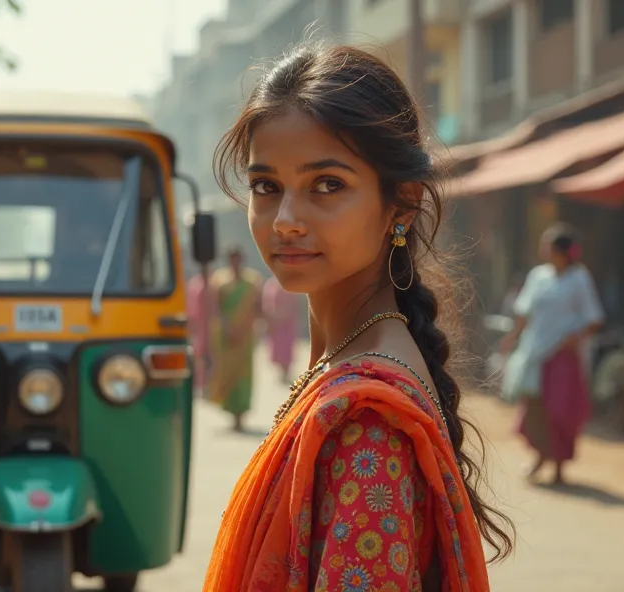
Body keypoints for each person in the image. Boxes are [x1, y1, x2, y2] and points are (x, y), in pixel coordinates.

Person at [202, 44, 510, 591]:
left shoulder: (367, 426)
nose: (287, 221)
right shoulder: (346, 366)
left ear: (403, 203)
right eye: (266, 187)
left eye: (327, 185)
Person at [501, 225, 605, 485]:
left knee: (559, 410)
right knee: (534, 408)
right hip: (534, 352)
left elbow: (594, 319)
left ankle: (559, 463)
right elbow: (524, 313)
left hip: (562, 355)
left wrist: (574, 339)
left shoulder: (579, 279)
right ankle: (541, 454)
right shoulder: (538, 277)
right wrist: (511, 339)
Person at [208, 247, 262, 431]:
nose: (235, 263)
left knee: (244, 376)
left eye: (238, 259)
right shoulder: (220, 281)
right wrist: (227, 328)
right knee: (227, 373)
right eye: (232, 260)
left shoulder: (252, 282)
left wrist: (247, 326)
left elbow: (257, 308)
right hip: (226, 336)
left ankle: (242, 414)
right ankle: (232, 413)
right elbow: (217, 308)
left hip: (245, 336)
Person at [262, 274, 301, 384]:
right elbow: (266, 304)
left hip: (287, 323)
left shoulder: (290, 285)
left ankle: (286, 371)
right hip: (275, 323)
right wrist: (270, 319)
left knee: (287, 347)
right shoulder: (270, 284)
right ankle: (282, 371)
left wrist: (282, 316)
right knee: (277, 348)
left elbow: (293, 305)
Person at [186, 266, 217, 396]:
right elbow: (190, 306)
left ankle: (210, 385)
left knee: (212, 358)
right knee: (199, 358)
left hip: (212, 327)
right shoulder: (194, 284)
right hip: (198, 328)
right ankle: (201, 385)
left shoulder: (214, 285)